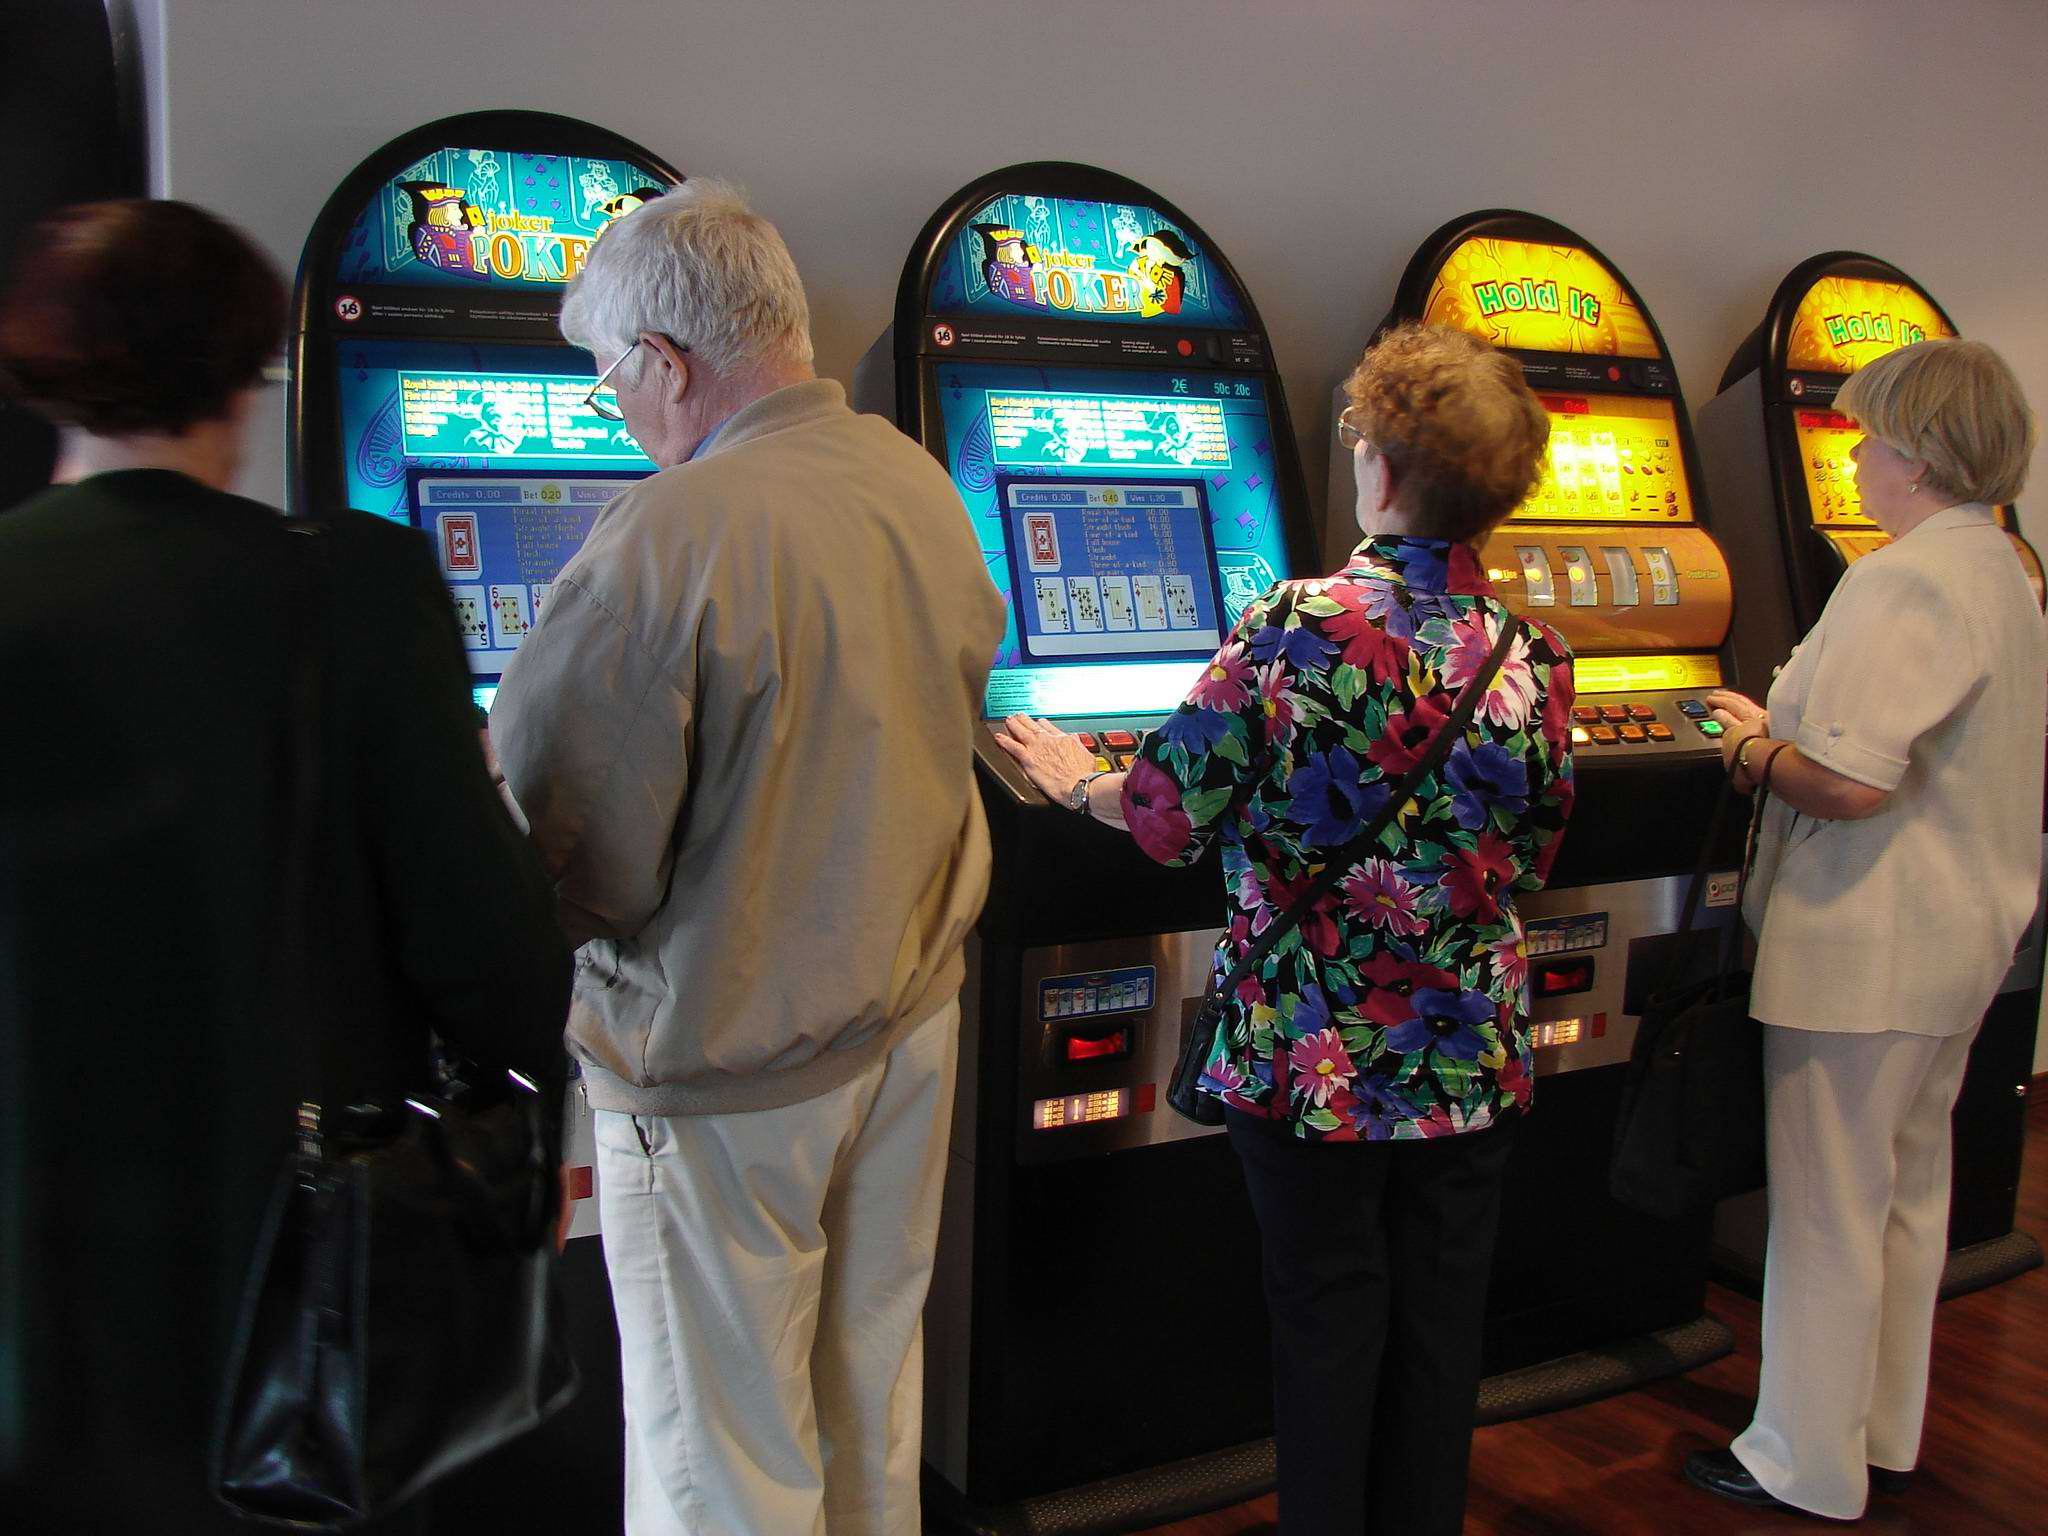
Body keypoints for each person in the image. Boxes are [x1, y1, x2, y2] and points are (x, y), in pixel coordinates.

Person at [0, 200, 572, 1534]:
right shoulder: (352, 587)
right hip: (304, 1256)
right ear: (246, 370)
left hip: (37, 1262)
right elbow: (483, 939)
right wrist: (525, 1131)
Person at [996, 322, 1575, 1536]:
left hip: (1313, 1052)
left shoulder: (1299, 621)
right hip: (1467, 1050)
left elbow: (1165, 814)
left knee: (1325, 1318)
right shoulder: (1532, 651)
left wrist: (1072, 780)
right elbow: (1530, 853)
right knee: (1439, 1327)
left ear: (1380, 465)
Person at [488, 179, 1005, 1536]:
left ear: (666, 360)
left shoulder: (663, 536)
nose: (616, 411)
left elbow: (571, 847)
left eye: (610, 381)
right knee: (863, 1408)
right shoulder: (911, 476)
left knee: (721, 1458)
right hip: (909, 1020)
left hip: (728, 1063)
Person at [1682, 338, 2045, 1521]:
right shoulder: (1999, 566)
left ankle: (1801, 1460)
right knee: (1901, 1195)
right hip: (1956, 934)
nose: (1853, 457)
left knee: (1829, 1208)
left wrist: (1748, 748)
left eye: (1870, 437)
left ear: (1921, 455)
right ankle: (1878, 1429)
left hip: (1867, 938)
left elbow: (1845, 781)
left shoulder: (1903, 579)